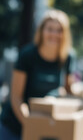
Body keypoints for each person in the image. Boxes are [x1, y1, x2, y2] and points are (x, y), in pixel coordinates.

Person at [0, 9, 76, 140]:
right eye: (50, 29)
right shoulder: (27, 55)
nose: (54, 34)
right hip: (15, 126)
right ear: (41, 31)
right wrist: (32, 125)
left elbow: (69, 90)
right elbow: (16, 98)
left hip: (45, 127)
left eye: (59, 30)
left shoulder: (67, 57)